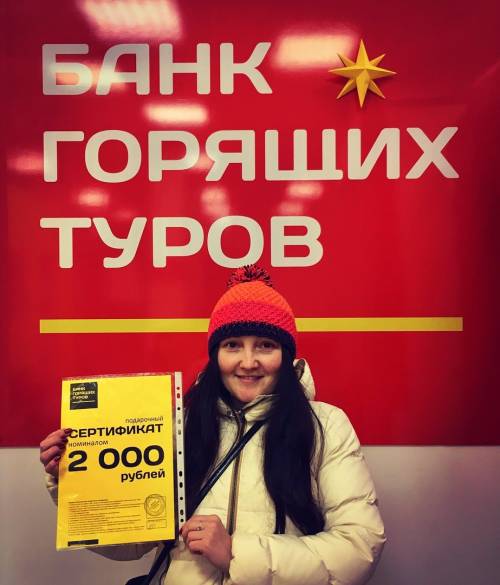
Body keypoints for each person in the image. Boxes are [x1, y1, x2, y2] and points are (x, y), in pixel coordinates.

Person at [40, 265, 386, 585]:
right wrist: (74, 480)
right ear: (216, 354)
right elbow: (131, 542)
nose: (248, 362)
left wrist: (236, 552)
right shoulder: (181, 423)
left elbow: (359, 548)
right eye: (233, 345)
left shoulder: (326, 426)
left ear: (285, 355)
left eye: (265, 346)